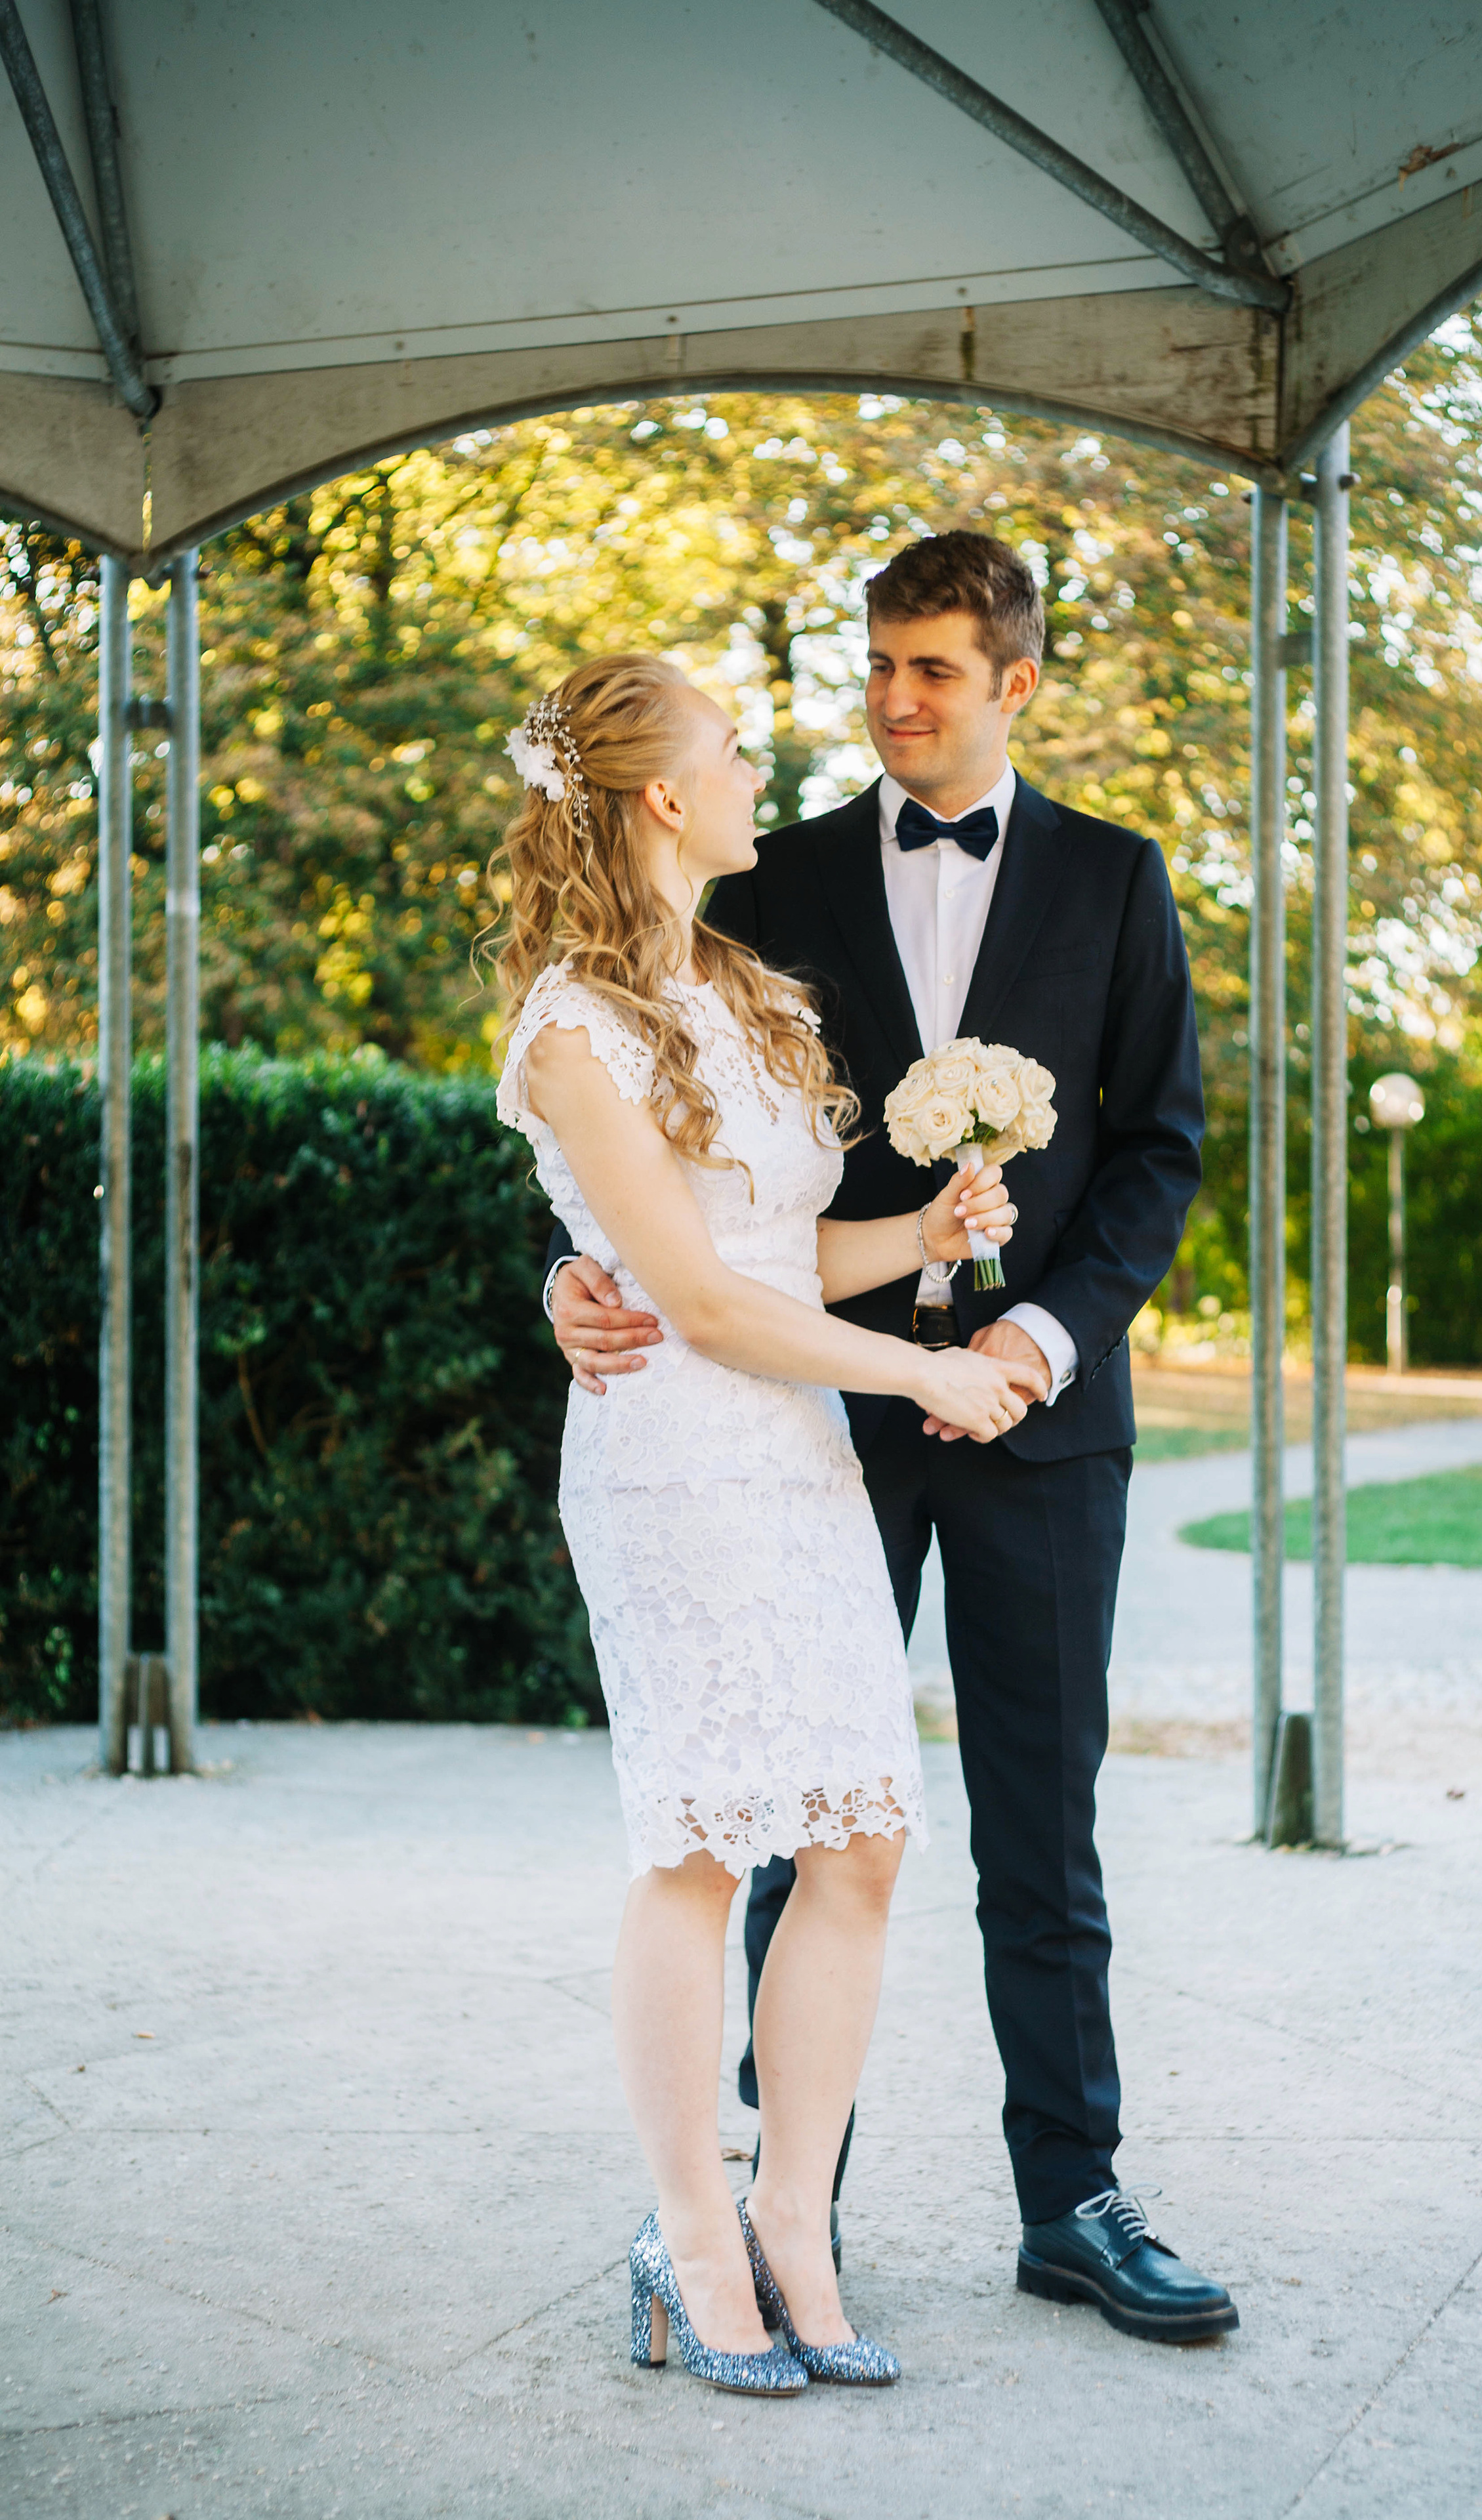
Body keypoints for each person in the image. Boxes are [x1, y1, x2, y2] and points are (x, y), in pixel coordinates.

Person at [545, 533, 1239, 2346]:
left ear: (1017, 680)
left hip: (1037, 1421)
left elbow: (1160, 1147)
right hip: (801, 1415)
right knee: (791, 1823)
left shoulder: (1116, 879)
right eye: (881, 665)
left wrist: (1033, 1330)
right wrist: (564, 1270)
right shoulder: (759, 881)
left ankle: (1073, 2197)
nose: (895, 698)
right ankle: (784, 2201)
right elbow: (642, 1141)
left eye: (934, 668)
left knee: (1040, 1833)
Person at [492, 650, 1033, 2397]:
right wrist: (922, 1375)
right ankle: (694, 2235)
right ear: (662, 794)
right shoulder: (570, 1024)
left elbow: (782, 1260)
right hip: (675, 1458)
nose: (752, 776)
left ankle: (797, 2218)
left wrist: (931, 1237)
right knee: (703, 1844)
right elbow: (702, 1308)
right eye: (730, 753)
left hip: (795, 1457)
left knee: (861, 1842)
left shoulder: (734, 989)